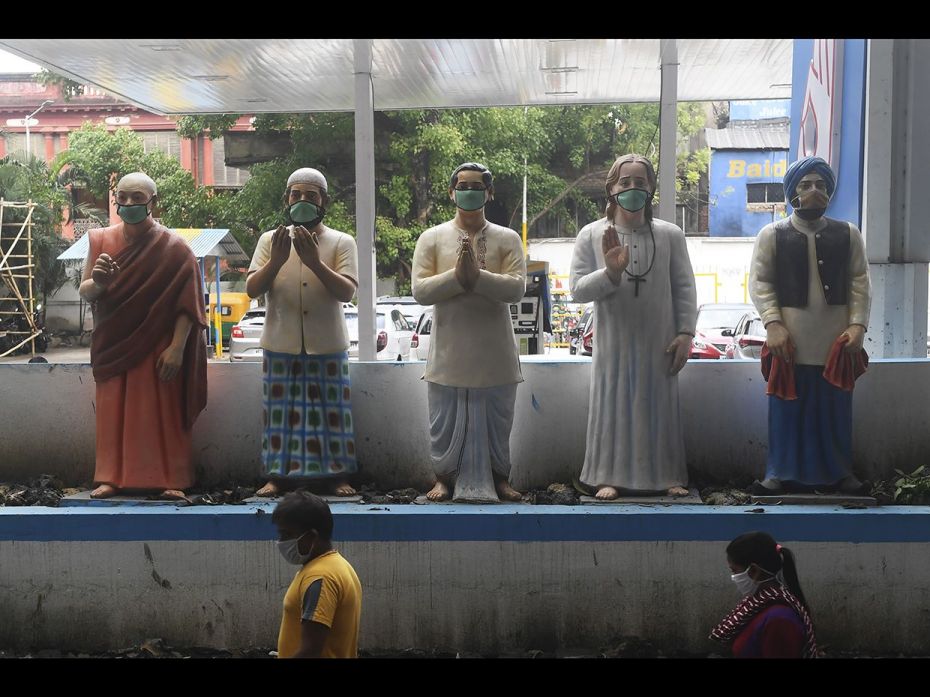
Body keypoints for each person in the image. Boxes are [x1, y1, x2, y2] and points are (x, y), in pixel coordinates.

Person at [569, 154, 697, 500]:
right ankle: (606, 474)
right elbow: (577, 290)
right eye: (625, 182)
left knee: (659, 406)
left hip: (660, 340)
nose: (633, 188)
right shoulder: (592, 234)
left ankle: (666, 473)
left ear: (651, 188)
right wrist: (610, 273)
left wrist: (685, 333)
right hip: (614, 342)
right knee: (614, 405)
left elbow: (684, 287)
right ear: (611, 188)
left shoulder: (670, 235)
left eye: (641, 182)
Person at [79, 172, 207, 500]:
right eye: (123, 197)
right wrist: (100, 282)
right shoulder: (99, 240)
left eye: (138, 198)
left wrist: (178, 348)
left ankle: (171, 477)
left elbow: (189, 305)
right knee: (113, 414)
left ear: (153, 202)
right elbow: (87, 291)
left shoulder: (175, 248)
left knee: (159, 414)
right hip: (113, 344)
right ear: (115, 201)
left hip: (158, 348)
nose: (130, 204)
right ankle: (110, 477)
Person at [748, 156, 871, 495]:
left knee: (835, 406)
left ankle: (838, 470)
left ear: (830, 191)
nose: (814, 190)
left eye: (820, 184)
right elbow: (760, 282)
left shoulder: (848, 234)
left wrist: (858, 325)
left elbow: (859, 282)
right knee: (787, 406)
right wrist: (773, 323)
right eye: (805, 185)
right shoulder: (771, 234)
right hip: (790, 339)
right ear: (792, 193)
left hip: (835, 338)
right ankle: (780, 470)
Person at [411, 162, 526, 503]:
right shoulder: (431, 238)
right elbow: (420, 291)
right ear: (451, 192)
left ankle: (499, 478)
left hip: (495, 352)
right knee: (445, 420)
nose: (469, 191)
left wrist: (477, 278)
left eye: (477, 186)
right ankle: (444, 479)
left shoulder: (507, 239)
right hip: (450, 351)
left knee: (496, 421)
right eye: (463, 185)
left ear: (489, 193)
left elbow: (516, 289)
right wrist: (456, 278)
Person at [247, 168, 359, 498]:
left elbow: (346, 292)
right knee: (280, 414)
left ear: (324, 201)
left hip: (326, 344)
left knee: (331, 412)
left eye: (311, 196)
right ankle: (278, 475)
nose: (302, 201)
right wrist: (278, 260)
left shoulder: (341, 241)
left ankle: (336, 474)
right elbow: (253, 288)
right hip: (280, 341)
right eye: (296, 195)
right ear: (286, 199)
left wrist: (314, 261)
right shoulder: (271, 241)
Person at [273, 490, 362, 658]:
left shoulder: (320, 578)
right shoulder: (338, 565)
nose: (281, 542)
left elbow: (311, 651)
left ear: (312, 536)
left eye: (287, 534)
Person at [710, 531, 818, 658]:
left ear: (754, 570)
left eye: (734, 571)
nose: (734, 577)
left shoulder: (779, 620)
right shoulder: (760, 603)